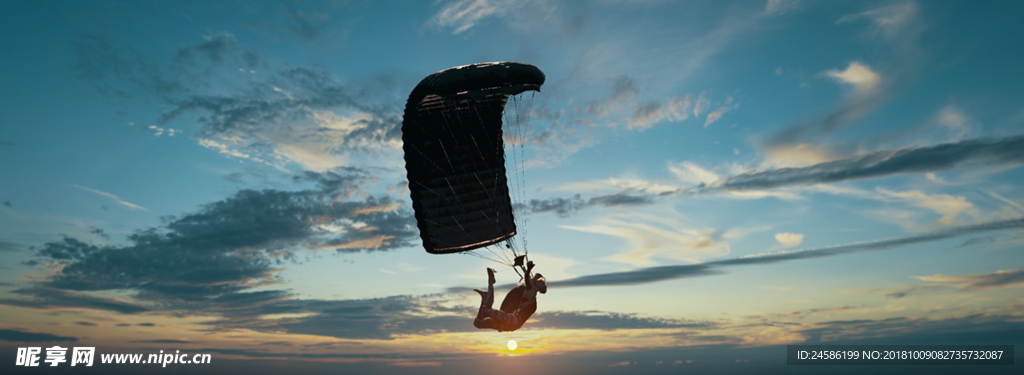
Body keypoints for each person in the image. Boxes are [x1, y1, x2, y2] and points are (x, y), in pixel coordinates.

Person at [473, 256, 546, 332]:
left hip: (513, 322)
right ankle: (488, 291)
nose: (544, 284)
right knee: (477, 323)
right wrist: (529, 270)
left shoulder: (531, 293)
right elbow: (527, 280)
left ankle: (487, 294)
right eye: (543, 283)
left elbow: (528, 280)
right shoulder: (530, 290)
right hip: (511, 323)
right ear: (536, 283)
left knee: (485, 311)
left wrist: (529, 270)